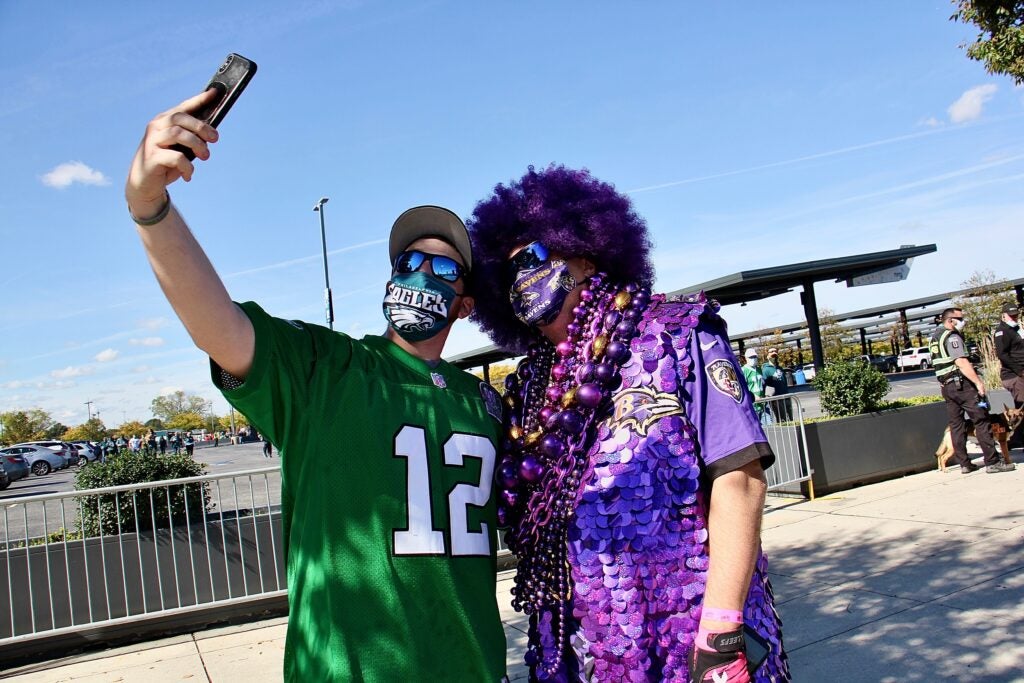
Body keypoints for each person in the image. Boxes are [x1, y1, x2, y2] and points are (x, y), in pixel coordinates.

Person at [125, 89, 507, 682]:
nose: (419, 273)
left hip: (474, 667)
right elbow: (217, 323)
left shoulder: (486, 403)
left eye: (443, 267)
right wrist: (150, 206)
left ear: (464, 305)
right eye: (407, 261)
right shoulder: (324, 368)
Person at [467, 165, 787, 682]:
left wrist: (722, 628)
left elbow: (740, 477)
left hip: (690, 636)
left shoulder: (678, 335)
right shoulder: (527, 390)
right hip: (579, 650)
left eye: (534, 257)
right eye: (509, 274)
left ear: (587, 253)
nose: (523, 279)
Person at [929, 307, 1014, 474]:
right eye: (960, 318)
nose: (963, 321)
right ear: (950, 320)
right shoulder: (952, 337)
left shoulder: (935, 337)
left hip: (947, 387)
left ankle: (965, 464)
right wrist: (978, 382)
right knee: (981, 420)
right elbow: (961, 361)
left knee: (956, 424)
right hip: (962, 386)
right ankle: (992, 462)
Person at [762, 348, 791, 421]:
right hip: (776, 398)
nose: (774, 354)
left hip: (786, 395)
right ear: (767, 355)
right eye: (771, 352)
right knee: (782, 419)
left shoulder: (780, 368)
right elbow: (765, 385)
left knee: (790, 418)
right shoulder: (765, 370)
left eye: (775, 353)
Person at [741, 348, 768, 424]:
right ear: (746, 358)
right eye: (751, 357)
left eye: (754, 357)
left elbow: (763, 384)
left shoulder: (759, 369)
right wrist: (753, 396)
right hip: (752, 406)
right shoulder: (743, 370)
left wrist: (767, 394)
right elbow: (742, 388)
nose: (753, 359)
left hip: (763, 404)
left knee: (770, 428)